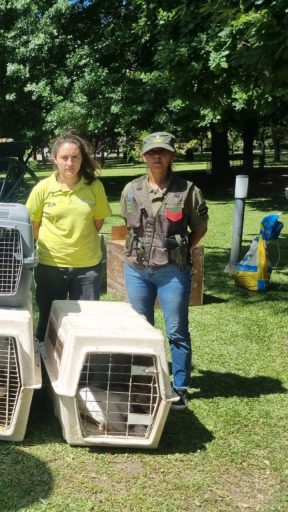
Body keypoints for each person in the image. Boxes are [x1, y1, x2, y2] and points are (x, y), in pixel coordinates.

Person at [120, 131, 208, 410]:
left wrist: (179, 249)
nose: (157, 156)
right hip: (137, 269)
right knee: (140, 330)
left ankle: (179, 387)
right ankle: (144, 382)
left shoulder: (188, 191)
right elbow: (127, 222)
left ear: (171, 155)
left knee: (177, 331)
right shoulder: (131, 189)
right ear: (144, 156)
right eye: (152, 152)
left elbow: (200, 227)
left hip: (172, 271)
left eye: (163, 152)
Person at [25, 132, 111, 343]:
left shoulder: (95, 187)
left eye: (75, 157)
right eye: (64, 158)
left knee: (86, 324)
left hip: (87, 269)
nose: (70, 163)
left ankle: (81, 373)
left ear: (82, 159)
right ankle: (44, 372)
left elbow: (97, 222)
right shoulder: (42, 189)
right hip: (50, 266)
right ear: (55, 158)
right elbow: (32, 228)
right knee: (46, 322)